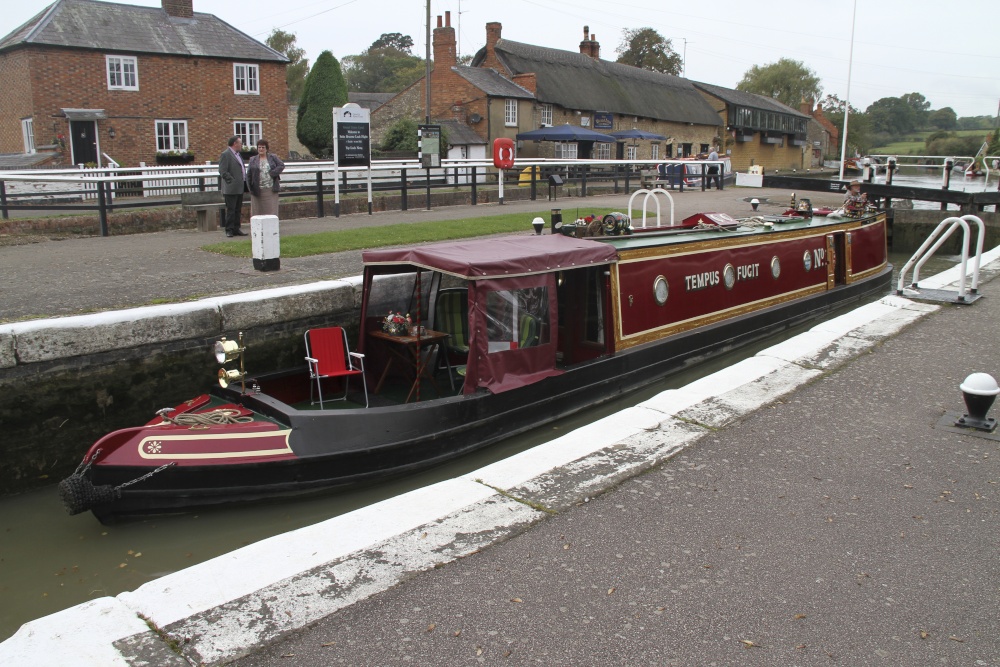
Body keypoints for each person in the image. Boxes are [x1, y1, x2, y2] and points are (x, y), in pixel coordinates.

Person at [246, 139, 285, 218]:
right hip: (257, 190)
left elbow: (281, 165)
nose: (261, 149)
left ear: (266, 149)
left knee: (271, 211)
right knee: (257, 212)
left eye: (263, 147)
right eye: (259, 147)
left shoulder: (273, 157)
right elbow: (249, 174)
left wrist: (272, 173)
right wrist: (250, 188)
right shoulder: (253, 159)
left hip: (270, 189)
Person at [218, 136, 247, 237]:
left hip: (240, 187)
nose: (241, 145)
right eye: (240, 143)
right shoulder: (226, 154)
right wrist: (231, 181)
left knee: (238, 210)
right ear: (235, 143)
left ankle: (236, 228)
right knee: (231, 210)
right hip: (231, 188)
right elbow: (222, 171)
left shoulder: (238, 154)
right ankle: (229, 229)